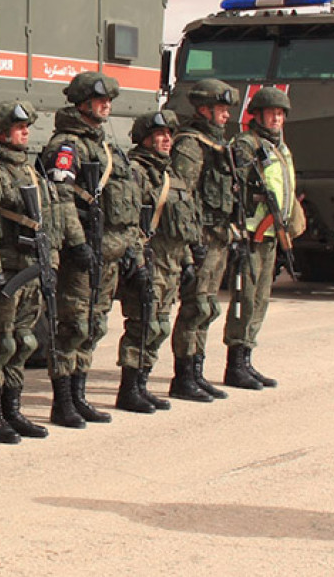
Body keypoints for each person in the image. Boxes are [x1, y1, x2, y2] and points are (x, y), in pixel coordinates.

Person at [41, 72, 146, 428]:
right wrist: (78, 243)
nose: (107, 106)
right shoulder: (68, 146)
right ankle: (63, 401)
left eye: (109, 101)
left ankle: (79, 395)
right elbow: (63, 201)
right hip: (84, 254)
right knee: (72, 326)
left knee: (94, 325)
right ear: (83, 103)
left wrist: (131, 246)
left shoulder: (105, 145)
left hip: (110, 253)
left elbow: (128, 202)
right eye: (101, 101)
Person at [0, 101, 62, 442]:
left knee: (23, 342)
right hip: (6, 275)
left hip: (31, 270)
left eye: (26, 127)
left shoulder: (29, 171)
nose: (26, 133)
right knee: (0, 344)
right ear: (1, 132)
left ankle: (12, 410)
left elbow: (46, 221)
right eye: (19, 127)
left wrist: (50, 262)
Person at [116, 109, 201, 412]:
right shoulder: (136, 172)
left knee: (161, 325)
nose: (167, 139)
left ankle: (143, 383)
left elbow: (185, 223)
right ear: (145, 138)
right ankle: (129, 388)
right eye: (160, 135)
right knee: (143, 325)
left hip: (171, 263)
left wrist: (188, 260)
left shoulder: (169, 173)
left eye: (169, 135)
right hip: (149, 261)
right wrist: (137, 263)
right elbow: (129, 224)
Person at [169, 79, 241, 402]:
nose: (226, 116)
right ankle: (184, 376)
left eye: (227, 110)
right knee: (194, 306)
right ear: (204, 110)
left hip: (218, 238)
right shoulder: (190, 145)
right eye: (221, 110)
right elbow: (182, 197)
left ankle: (197, 371)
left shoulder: (218, 146)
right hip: (200, 240)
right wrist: (191, 243)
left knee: (207, 306)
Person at [223, 87, 297, 389]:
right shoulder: (246, 145)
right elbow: (234, 187)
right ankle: (235, 364)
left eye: (280, 114)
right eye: (271, 113)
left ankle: (247, 358)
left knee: (261, 298)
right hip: (251, 234)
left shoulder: (279, 146)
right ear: (258, 115)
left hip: (270, 235)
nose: (276, 118)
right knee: (245, 298)